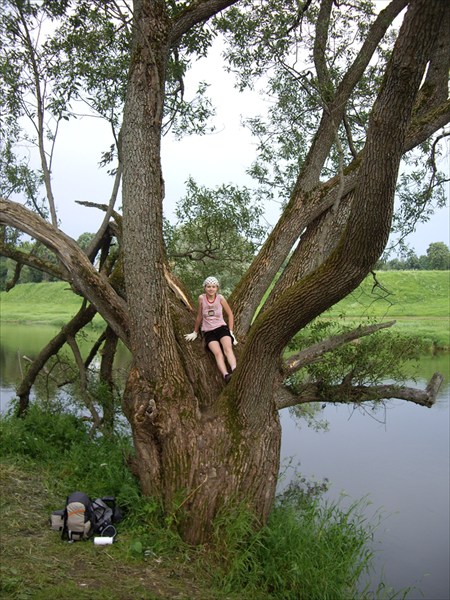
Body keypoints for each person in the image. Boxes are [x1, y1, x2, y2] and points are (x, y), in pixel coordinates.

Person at [184, 276, 237, 382]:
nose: (211, 289)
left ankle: (235, 370)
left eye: (213, 287)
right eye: (208, 286)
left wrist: (230, 331)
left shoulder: (220, 298)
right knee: (217, 352)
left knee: (227, 348)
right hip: (208, 331)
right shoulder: (201, 298)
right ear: (205, 287)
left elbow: (230, 314)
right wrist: (195, 332)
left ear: (217, 288)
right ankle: (226, 375)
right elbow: (199, 316)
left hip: (222, 328)